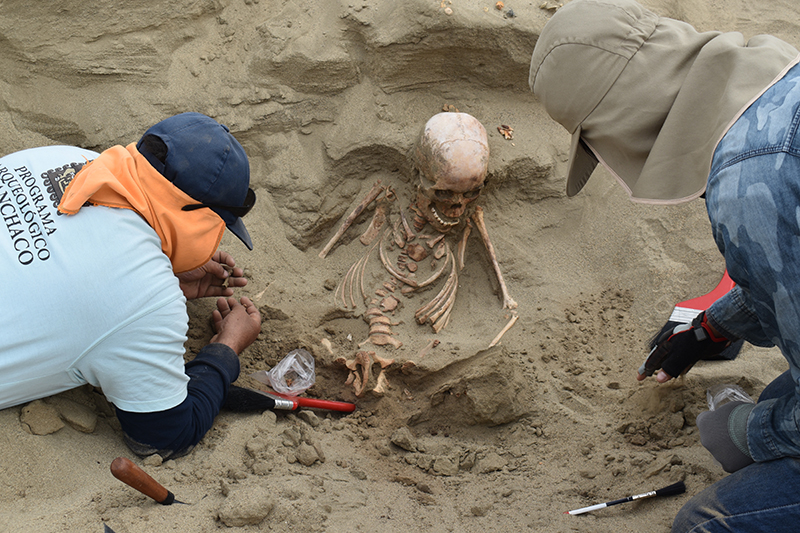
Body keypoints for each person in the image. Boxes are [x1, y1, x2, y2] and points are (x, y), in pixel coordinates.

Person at [529, 0, 800, 531]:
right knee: (780, 398)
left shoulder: (751, 184)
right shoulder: (779, 98)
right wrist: (713, 327)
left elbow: (775, 230)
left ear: (623, 117)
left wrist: (748, 430)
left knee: (708, 523)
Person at [0, 112, 262, 459]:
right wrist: (226, 348)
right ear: (195, 216)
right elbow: (166, 436)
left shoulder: (64, 158)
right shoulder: (146, 302)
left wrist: (163, 265)